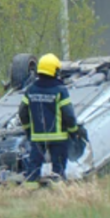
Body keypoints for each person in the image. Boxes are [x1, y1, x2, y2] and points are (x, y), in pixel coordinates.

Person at [18, 53, 86, 181]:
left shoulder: (31, 89)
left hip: (37, 138)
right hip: (58, 138)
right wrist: (73, 131)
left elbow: (22, 112)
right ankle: (57, 191)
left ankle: (30, 192)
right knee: (58, 171)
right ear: (54, 70)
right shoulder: (60, 90)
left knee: (33, 171)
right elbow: (69, 115)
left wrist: (28, 130)